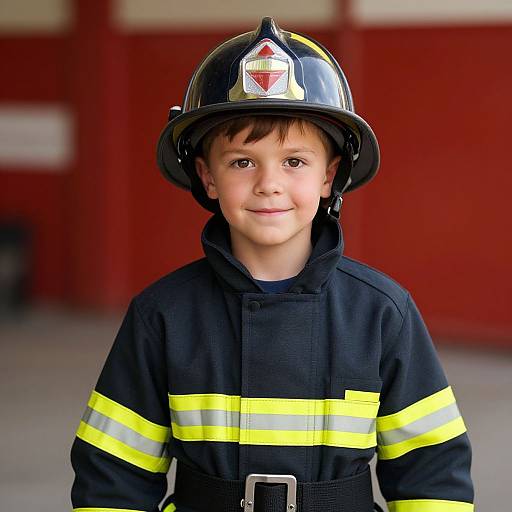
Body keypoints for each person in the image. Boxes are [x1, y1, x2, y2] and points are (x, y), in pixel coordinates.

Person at [70, 17, 474, 512]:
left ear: (330, 176)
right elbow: (112, 478)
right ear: (207, 176)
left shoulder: (383, 314)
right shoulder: (161, 315)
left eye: (294, 162)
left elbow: (433, 476)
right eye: (242, 162)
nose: (269, 184)